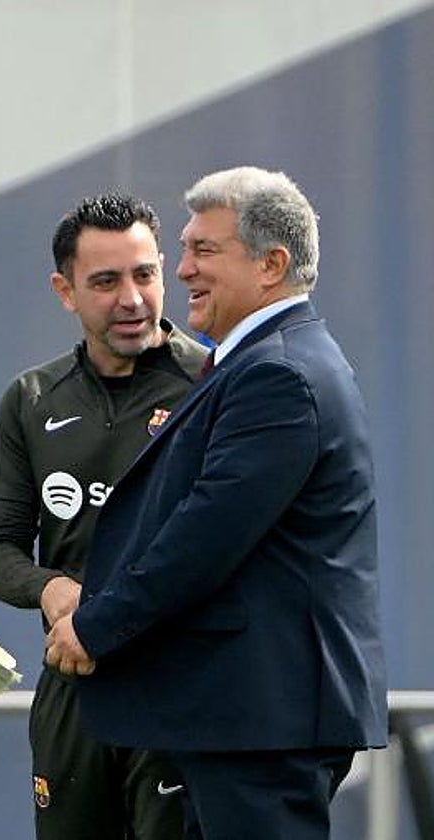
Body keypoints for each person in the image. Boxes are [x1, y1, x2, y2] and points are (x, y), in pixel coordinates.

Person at [46, 166, 387, 840]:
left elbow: (204, 537)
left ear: (272, 265)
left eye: (204, 250)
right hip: (244, 718)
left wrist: (97, 625)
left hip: (264, 721)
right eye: (184, 249)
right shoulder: (264, 361)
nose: (183, 270)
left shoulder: (279, 373)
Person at [0, 193, 207, 839]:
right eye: (106, 282)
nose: (132, 299)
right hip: (72, 685)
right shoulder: (31, 399)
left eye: (144, 275)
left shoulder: (214, 385)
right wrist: (51, 588)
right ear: (66, 291)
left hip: (177, 689)